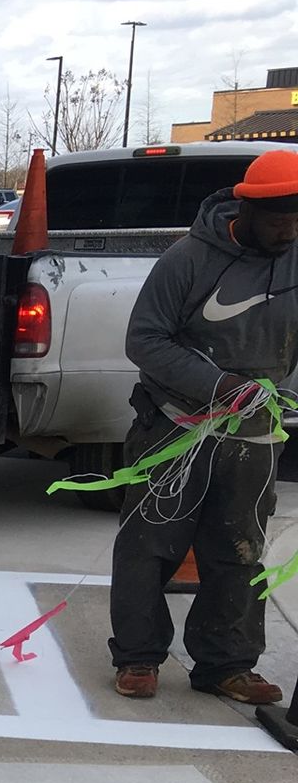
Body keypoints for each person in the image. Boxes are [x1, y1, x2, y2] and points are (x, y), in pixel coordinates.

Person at [110, 147, 298, 702]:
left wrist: (285, 394)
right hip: (175, 426)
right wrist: (220, 386)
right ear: (246, 210)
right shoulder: (188, 259)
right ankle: (139, 657)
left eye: (296, 220)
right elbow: (144, 339)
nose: (288, 231)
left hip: (255, 435)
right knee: (150, 543)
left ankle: (227, 664)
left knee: (240, 547)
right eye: (277, 220)